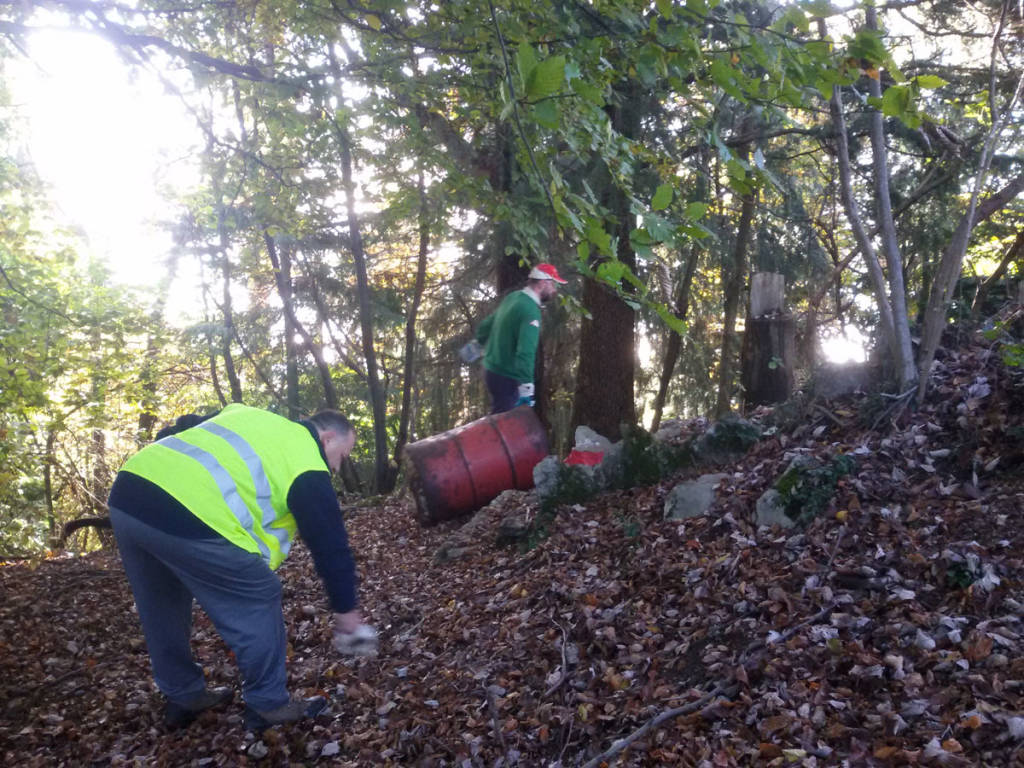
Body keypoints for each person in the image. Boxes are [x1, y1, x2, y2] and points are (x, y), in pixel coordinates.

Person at [107, 403, 376, 731]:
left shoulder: (247, 415)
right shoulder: (306, 461)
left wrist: (163, 476)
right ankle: (267, 704)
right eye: (342, 456)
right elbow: (331, 546)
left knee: (161, 602)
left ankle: (183, 695)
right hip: (185, 513)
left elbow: (183, 426)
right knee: (259, 592)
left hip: (130, 491)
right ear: (328, 437)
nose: (338, 467)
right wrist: (347, 611)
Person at [475, 263, 567, 413]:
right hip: (506, 378)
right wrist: (526, 389)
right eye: (553, 284)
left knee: (498, 418)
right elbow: (526, 352)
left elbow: (489, 323)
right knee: (504, 426)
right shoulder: (530, 310)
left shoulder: (513, 297)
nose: (554, 290)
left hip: (490, 369)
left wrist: (477, 343)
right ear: (543, 283)